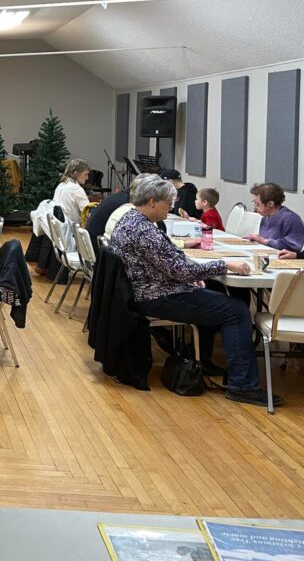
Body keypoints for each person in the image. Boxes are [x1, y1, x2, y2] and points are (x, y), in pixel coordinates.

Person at [108, 178, 279, 407]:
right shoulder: (144, 230)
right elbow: (179, 270)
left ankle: (202, 359)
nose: (171, 207)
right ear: (152, 202)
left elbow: (170, 262)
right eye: (168, 203)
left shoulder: (131, 220)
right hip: (157, 296)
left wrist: (192, 275)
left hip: (148, 290)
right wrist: (225, 265)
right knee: (236, 311)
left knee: (216, 294)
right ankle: (243, 386)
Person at [245, 183, 304, 251]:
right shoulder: (265, 218)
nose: (255, 207)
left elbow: (294, 246)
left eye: (258, 204)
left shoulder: (291, 219)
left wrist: (264, 241)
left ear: (270, 204)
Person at [52, 159, 90, 225]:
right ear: (76, 173)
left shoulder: (60, 186)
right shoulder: (76, 189)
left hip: (58, 227)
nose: (87, 178)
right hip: (72, 228)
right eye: (85, 174)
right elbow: (87, 213)